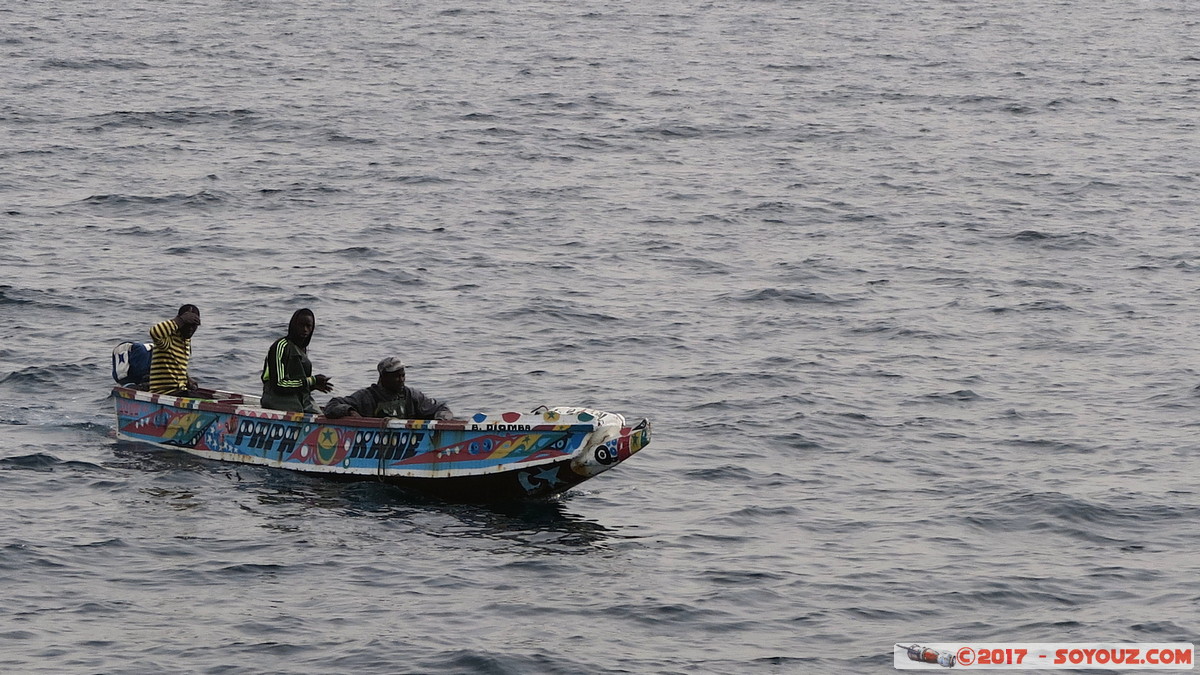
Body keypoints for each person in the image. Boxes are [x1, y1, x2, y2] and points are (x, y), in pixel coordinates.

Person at [323, 356, 453, 420]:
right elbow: (332, 405)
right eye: (396, 377)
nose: (401, 380)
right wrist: (350, 411)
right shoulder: (366, 396)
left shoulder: (411, 395)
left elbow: (442, 408)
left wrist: (440, 420)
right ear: (383, 377)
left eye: (403, 376)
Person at [260, 308, 333, 413]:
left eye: (308, 326)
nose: (305, 329)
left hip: (300, 402)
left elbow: (297, 384)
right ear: (293, 325)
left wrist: (313, 386)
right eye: (301, 325)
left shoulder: (302, 350)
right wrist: (311, 381)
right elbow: (280, 384)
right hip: (277, 401)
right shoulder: (281, 346)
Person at [148, 304, 201, 396]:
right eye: (187, 325)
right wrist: (179, 320)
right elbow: (154, 332)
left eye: (194, 325)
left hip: (179, 390)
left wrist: (187, 379)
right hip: (164, 392)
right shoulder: (169, 339)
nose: (190, 329)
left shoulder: (186, 341)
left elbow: (177, 366)